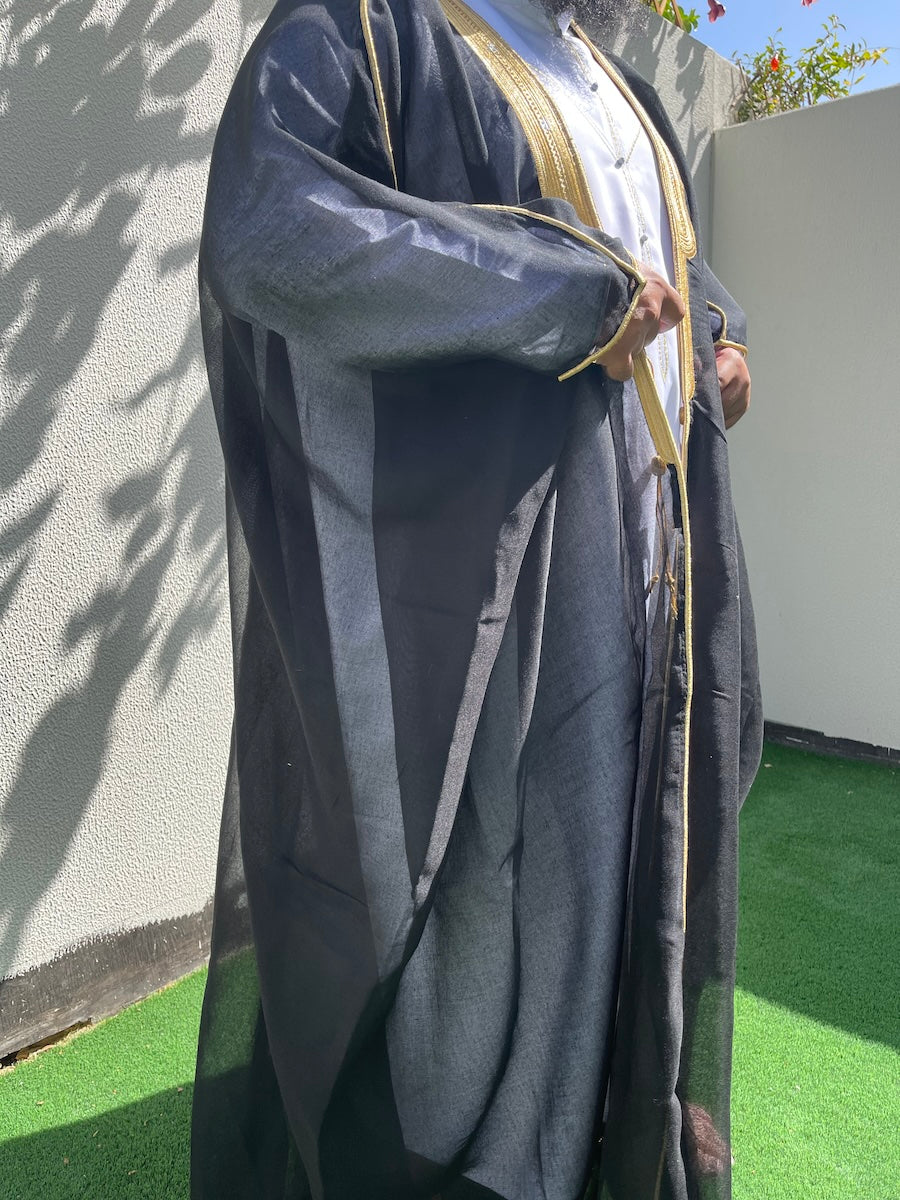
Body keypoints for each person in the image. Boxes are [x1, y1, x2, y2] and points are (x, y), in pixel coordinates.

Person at [190, 0, 762, 1197]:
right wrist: (560, 296)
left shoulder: (616, 82)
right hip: (493, 573)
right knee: (492, 881)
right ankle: (476, 1164)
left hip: (654, 548)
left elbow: (667, 252)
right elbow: (269, 230)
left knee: (632, 847)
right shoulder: (365, 29)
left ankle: (616, 1120)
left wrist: (717, 334)